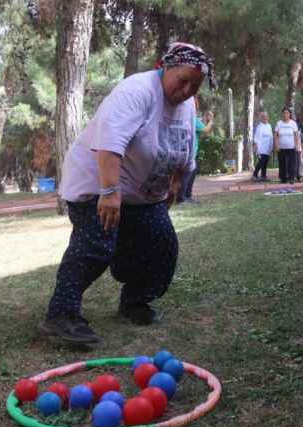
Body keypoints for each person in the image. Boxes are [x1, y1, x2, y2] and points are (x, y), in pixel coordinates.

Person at [39, 42, 215, 344]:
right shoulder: (136, 91)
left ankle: (134, 301)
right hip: (97, 183)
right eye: (182, 79)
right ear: (164, 67)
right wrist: (109, 191)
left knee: (161, 245)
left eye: (195, 85)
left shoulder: (186, 106)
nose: (186, 90)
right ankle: (61, 315)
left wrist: (174, 182)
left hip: (142, 194)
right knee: (95, 247)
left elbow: (184, 149)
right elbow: (108, 143)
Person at [178, 99, 213, 204]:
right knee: (188, 175)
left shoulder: (185, 117)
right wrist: (210, 120)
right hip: (191, 152)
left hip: (184, 150)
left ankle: (187, 196)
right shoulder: (194, 119)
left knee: (189, 174)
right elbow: (206, 130)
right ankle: (183, 198)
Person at [275, 108, 300, 183]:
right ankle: (283, 179)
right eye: (284, 113)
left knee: (291, 163)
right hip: (281, 147)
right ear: (282, 114)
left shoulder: (293, 123)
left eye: (287, 113)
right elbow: (275, 135)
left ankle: (291, 178)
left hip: (291, 147)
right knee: (282, 163)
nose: (285, 114)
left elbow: (296, 135)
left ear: (289, 114)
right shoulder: (279, 123)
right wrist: (276, 145)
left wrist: (297, 145)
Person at [252, 112, 274, 180]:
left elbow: (271, 137)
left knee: (265, 162)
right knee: (261, 162)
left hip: (268, 148)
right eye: (263, 116)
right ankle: (254, 175)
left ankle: (263, 176)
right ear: (261, 118)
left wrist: (272, 146)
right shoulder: (259, 126)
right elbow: (256, 138)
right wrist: (256, 147)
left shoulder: (269, 126)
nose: (265, 118)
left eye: (266, 116)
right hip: (261, 148)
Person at [291, 110, 303, 182]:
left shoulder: (299, 125)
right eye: (292, 115)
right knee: (293, 161)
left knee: (299, 161)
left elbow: (302, 136)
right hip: (291, 146)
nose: (293, 117)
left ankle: (299, 176)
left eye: (294, 116)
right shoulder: (288, 124)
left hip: (298, 146)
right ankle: (292, 175)